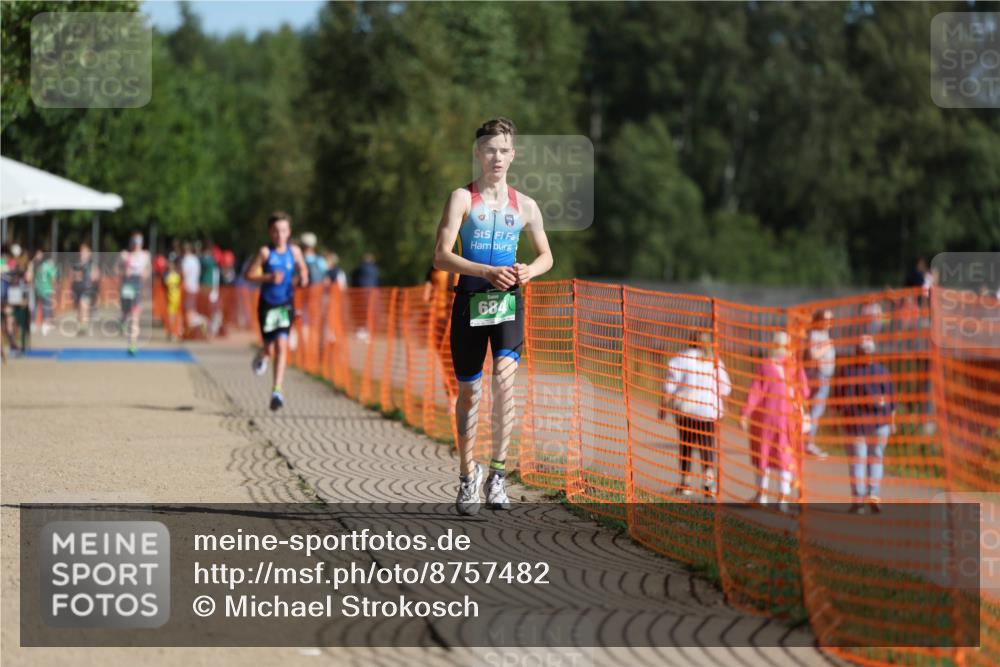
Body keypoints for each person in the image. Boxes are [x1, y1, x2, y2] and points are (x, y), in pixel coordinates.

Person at [432, 117, 553, 516]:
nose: (496, 157)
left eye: (503, 150)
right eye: (489, 149)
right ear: (478, 153)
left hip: (507, 304)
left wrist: (529, 271)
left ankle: (498, 475)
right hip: (469, 301)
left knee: (504, 383)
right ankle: (469, 475)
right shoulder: (462, 199)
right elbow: (440, 255)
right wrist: (484, 271)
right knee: (470, 393)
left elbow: (546, 255)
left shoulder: (526, 206)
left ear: (513, 155)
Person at [244, 211, 309, 411]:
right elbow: (249, 275)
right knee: (270, 348)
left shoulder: (295, 252)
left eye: (283, 230)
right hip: (267, 305)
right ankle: (262, 354)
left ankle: (277, 391)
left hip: (285, 304)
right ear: (269, 233)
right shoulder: (265, 252)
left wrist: (304, 278)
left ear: (289, 232)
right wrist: (268, 278)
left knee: (282, 344)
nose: (279, 235)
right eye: (275, 231)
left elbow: (303, 270)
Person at [740, 331, 810, 512]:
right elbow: (806, 392)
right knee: (784, 457)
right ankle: (782, 500)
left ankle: (761, 495)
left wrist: (745, 412)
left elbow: (755, 393)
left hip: (765, 419)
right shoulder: (794, 366)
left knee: (763, 455)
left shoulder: (766, 366)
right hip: (788, 419)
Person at [658, 329, 732, 498]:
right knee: (707, 445)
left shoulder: (682, 358)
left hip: (687, 410)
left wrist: (663, 405)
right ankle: (709, 481)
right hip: (709, 410)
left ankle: (685, 482)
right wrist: (723, 408)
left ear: (691, 341)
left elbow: (670, 384)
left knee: (686, 445)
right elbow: (725, 387)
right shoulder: (714, 360)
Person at [833, 335, 896, 514]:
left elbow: (838, 401)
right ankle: (873, 495)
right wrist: (892, 422)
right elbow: (892, 401)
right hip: (879, 423)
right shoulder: (882, 371)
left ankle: (859, 500)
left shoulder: (847, 371)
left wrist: (838, 421)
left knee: (858, 462)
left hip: (856, 424)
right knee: (876, 459)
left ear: (856, 352)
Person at [803, 309, 835, 459]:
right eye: (826, 319)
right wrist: (827, 346)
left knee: (816, 411)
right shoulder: (815, 334)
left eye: (830, 319)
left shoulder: (825, 334)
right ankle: (807, 443)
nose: (828, 322)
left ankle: (807, 442)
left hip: (825, 375)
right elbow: (813, 354)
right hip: (818, 375)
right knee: (814, 411)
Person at [118, 232, 152, 355]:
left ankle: (133, 344)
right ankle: (122, 321)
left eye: (139, 243)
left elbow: (148, 270)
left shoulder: (146, 255)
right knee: (126, 313)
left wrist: (146, 274)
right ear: (131, 243)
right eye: (135, 243)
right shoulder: (125, 255)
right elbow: (117, 269)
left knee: (135, 317)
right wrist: (124, 270)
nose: (137, 245)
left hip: (138, 285)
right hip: (127, 285)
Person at [71, 241, 99, 335]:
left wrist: (94, 276)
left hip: (88, 288)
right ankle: (82, 324)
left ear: (89, 253)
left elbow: (96, 274)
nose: (84, 253)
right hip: (78, 288)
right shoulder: (77, 264)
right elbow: (73, 275)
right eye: (82, 251)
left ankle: (84, 326)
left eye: (86, 251)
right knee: (79, 309)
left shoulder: (92, 264)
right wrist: (76, 276)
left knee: (84, 306)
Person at [180, 242, 205, 337]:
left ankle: (197, 323)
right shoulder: (195, 259)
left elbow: (184, 273)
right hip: (195, 286)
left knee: (188, 309)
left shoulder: (186, 260)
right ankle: (194, 326)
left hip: (188, 287)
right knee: (191, 308)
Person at [32, 249, 58, 336]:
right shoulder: (48, 266)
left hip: (38, 289)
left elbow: (35, 277)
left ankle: (33, 324)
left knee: (36, 306)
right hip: (47, 289)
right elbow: (53, 278)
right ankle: (45, 325)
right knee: (46, 308)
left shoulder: (38, 266)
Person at [164, 257, 183, 341]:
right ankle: (175, 332)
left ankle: (172, 333)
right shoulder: (177, 276)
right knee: (176, 316)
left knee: (171, 316)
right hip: (177, 296)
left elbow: (165, 284)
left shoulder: (168, 276)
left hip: (171, 297)